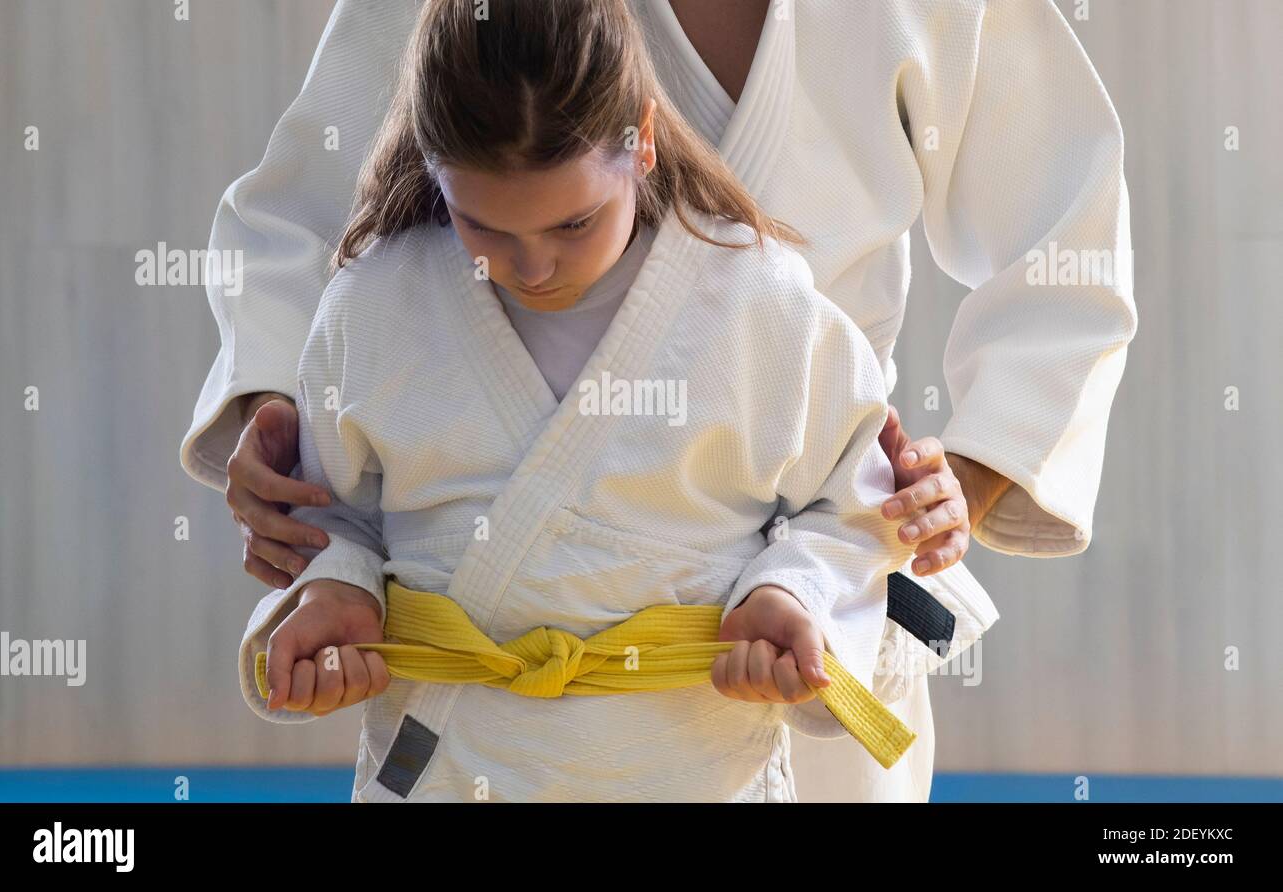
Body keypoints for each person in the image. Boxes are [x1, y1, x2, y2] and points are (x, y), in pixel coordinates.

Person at [181, 0, 1136, 801]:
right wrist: (280, 435)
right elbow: (296, 219)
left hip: (809, 613)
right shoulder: (399, 275)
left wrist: (941, 493)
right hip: (495, 681)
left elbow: (1067, 224)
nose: (536, 259)